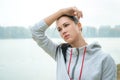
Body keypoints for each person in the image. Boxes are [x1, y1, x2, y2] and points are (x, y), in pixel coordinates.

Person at [31, 7, 117, 80]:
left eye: (66, 25)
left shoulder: (104, 59)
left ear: (79, 26)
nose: (63, 31)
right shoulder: (59, 53)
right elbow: (36, 32)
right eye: (59, 29)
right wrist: (61, 11)